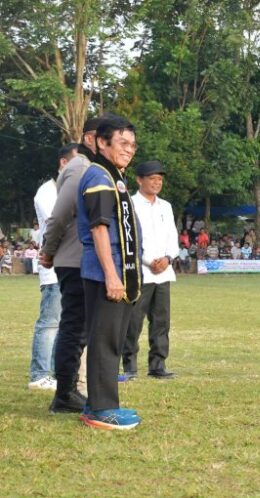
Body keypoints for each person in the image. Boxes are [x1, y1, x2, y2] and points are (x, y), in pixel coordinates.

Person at [41, 117, 112, 413]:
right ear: (90, 139)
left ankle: (70, 388)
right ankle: (64, 392)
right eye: (106, 139)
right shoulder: (80, 167)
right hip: (73, 260)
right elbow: (59, 215)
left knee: (80, 327)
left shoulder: (96, 170)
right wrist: (48, 249)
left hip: (82, 259)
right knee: (74, 327)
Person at [76, 115, 143, 429]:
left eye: (132, 145)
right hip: (107, 274)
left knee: (111, 339)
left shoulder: (113, 176)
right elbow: (100, 229)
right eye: (122, 143)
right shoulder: (99, 176)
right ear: (101, 143)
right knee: (104, 341)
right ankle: (102, 409)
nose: (129, 150)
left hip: (120, 272)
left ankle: (96, 402)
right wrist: (112, 276)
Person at [121, 160, 179, 382]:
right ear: (139, 180)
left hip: (164, 272)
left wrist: (167, 258)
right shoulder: (130, 204)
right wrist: (147, 261)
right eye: (152, 179)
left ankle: (158, 365)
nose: (157, 183)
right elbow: (130, 239)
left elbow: (172, 237)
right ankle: (129, 366)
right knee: (133, 321)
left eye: (160, 180)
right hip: (140, 272)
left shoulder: (166, 206)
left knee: (161, 321)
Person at [28, 144, 78, 391]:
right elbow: (58, 224)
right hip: (53, 266)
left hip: (68, 264)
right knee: (49, 322)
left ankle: (57, 372)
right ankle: (39, 374)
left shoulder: (68, 190)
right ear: (63, 163)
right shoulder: (47, 192)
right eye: (76, 162)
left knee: (64, 323)